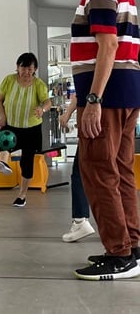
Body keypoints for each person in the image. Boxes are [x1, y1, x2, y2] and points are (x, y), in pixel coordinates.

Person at [66, 0, 140, 280]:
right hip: (127, 92)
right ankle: (131, 246)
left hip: (107, 96)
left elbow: (107, 46)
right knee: (121, 170)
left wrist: (93, 99)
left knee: (98, 170)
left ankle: (119, 253)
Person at [0, 52, 51, 207]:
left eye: (30, 69)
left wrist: (42, 110)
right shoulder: (9, 80)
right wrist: (2, 116)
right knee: (4, 143)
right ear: (17, 68)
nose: (26, 72)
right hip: (11, 124)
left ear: (34, 69)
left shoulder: (39, 85)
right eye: (23, 68)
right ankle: (3, 163)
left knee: (27, 162)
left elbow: (47, 102)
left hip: (31, 129)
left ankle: (22, 195)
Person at [59, 96, 95, 242]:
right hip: (116, 119)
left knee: (80, 173)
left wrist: (67, 114)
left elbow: (82, 92)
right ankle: (125, 227)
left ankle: (80, 221)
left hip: (95, 122)